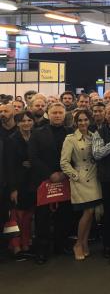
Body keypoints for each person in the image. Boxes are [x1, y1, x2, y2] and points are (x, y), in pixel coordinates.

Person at [28, 102, 74, 264]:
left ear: (64, 114)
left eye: (60, 113)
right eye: (54, 112)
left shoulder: (71, 132)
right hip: (43, 180)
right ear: (48, 114)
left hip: (65, 179)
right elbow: (33, 157)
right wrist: (50, 174)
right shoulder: (37, 133)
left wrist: (63, 174)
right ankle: (42, 249)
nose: (57, 115)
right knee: (42, 218)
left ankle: (60, 245)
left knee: (64, 214)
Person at [60, 109, 102, 261]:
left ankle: (84, 242)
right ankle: (78, 244)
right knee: (88, 212)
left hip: (94, 177)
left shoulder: (93, 136)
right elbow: (64, 162)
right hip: (80, 180)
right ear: (75, 123)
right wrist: (75, 176)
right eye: (80, 121)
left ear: (89, 121)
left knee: (91, 213)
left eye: (85, 120)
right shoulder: (70, 139)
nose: (83, 123)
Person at [92, 102, 110, 259]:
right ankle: (107, 244)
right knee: (109, 212)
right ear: (105, 114)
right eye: (109, 112)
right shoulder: (99, 132)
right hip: (108, 178)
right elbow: (97, 154)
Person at [7, 111, 37, 259]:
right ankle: (16, 245)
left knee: (28, 216)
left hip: (32, 182)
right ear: (17, 123)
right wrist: (13, 189)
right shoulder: (12, 140)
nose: (26, 123)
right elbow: (9, 165)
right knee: (17, 216)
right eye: (23, 121)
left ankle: (26, 242)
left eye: (29, 120)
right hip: (18, 183)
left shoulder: (35, 136)